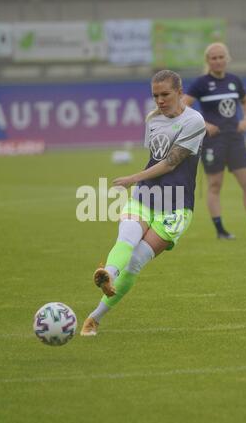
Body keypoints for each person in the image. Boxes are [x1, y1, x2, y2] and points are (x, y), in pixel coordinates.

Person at [80, 69, 206, 336]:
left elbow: (170, 162)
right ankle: (108, 273)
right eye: (155, 95)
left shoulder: (195, 121)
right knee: (126, 238)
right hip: (146, 194)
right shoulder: (152, 119)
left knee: (136, 261)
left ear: (179, 92)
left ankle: (95, 317)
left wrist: (133, 177)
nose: (159, 100)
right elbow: (154, 158)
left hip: (176, 203)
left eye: (165, 94)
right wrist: (139, 182)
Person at [184, 42, 246, 239]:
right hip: (213, 141)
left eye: (221, 57)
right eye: (214, 58)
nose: (218, 61)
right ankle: (221, 231)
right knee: (215, 185)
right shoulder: (201, 83)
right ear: (208, 61)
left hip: (235, 139)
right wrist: (204, 124)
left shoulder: (234, 80)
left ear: (227, 59)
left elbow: (245, 100)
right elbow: (182, 106)